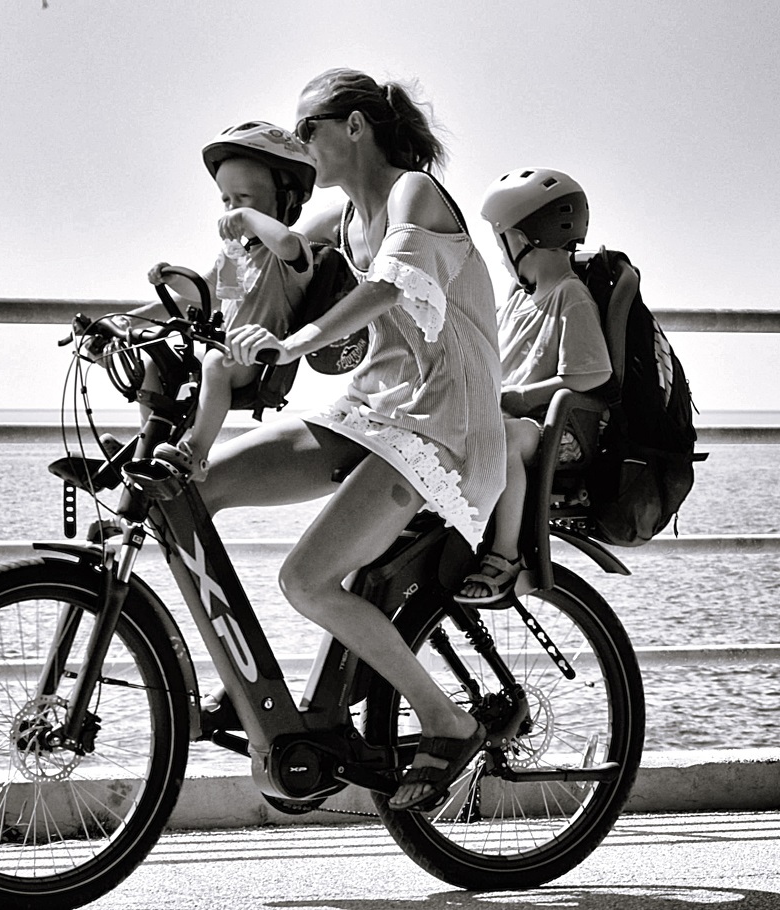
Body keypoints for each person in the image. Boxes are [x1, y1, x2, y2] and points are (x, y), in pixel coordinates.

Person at [205, 69, 506, 813]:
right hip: (371, 411)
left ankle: (448, 722)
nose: (300, 144)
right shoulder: (343, 220)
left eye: (307, 129)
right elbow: (270, 262)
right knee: (199, 484)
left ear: (355, 127)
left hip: (442, 426)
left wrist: (297, 341)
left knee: (306, 581)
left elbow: (389, 289)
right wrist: (158, 313)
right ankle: (252, 685)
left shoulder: (414, 194)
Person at [121, 122, 320, 481]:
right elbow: (198, 296)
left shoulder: (291, 249)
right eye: (226, 200)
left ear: (285, 199)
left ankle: (197, 454)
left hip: (254, 357)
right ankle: (146, 445)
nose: (232, 210)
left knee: (215, 361)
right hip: (223, 348)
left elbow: (285, 242)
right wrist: (132, 316)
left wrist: (248, 218)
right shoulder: (234, 256)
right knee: (156, 356)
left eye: (244, 198)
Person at [456, 168, 612, 604]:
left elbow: (591, 374)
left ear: (525, 239)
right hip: (518, 421)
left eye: (502, 238)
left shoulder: (569, 295)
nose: (502, 253)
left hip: (557, 430)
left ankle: (505, 556)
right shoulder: (518, 298)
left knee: (503, 438)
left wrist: (522, 396)